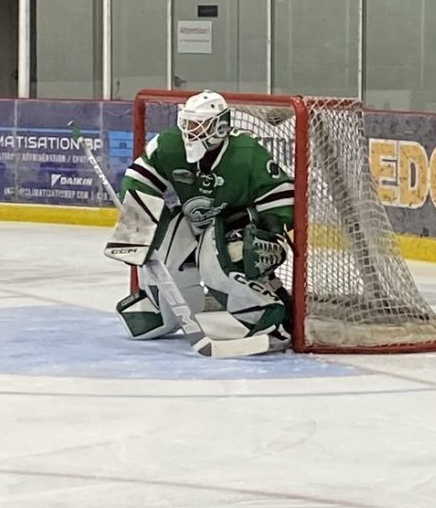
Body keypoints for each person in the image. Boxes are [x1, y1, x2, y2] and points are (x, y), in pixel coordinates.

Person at [106, 89, 295, 356]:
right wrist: (138, 223)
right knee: (163, 258)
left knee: (224, 261)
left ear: (220, 127)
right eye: (187, 123)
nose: (189, 131)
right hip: (192, 220)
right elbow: (140, 180)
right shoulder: (169, 144)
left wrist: (273, 230)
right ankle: (163, 311)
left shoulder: (246, 152)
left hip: (235, 224)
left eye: (197, 125)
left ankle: (269, 317)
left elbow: (279, 194)